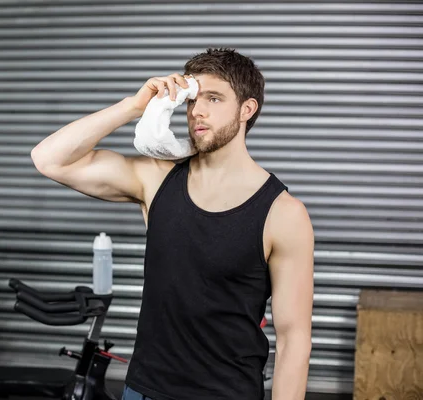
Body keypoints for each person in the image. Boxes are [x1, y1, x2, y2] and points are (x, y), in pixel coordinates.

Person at [31, 48, 314, 400]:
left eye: (214, 98)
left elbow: (294, 338)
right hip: (143, 390)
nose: (197, 110)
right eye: (194, 98)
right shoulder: (156, 178)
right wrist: (134, 106)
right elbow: (49, 159)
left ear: (247, 109)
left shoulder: (283, 213)